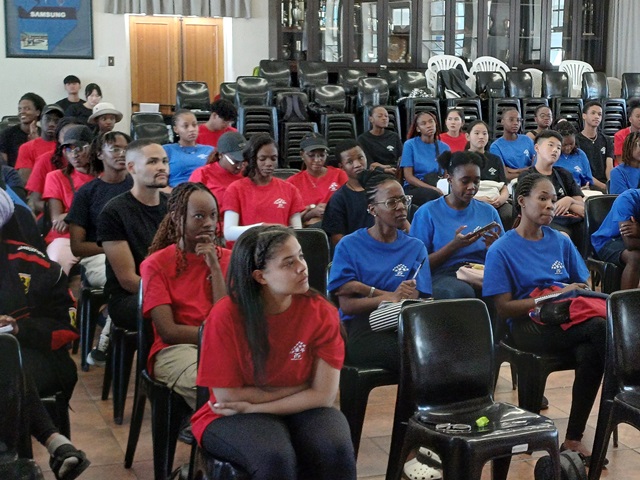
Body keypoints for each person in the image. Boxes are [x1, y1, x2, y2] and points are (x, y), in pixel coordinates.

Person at [192, 225, 356, 480]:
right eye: (288, 263)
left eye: (300, 256)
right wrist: (303, 388)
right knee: (274, 457)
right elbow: (228, 397)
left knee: (334, 447)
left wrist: (254, 407)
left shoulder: (321, 312)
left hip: (278, 407)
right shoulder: (226, 316)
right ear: (260, 277)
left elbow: (324, 396)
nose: (302, 267)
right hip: (229, 415)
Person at [483, 173, 605, 461]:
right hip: (527, 325)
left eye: (552, 199)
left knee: (593, 346)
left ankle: (573, 439)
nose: (550, 205)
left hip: (565, 319)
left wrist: (564, 292)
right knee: (601, 331)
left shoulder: (560, 240)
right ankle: (613, 402)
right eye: (542, 198)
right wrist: (550, 297)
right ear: (522, 202)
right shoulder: (502, 249)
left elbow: (582, 284)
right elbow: (503, 308)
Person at [0, 189, 91, 480]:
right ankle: (51, 443)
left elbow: (67, 326)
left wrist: (20, 328)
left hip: (34, 354)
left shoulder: (33, 265)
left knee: (7, 358)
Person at [328, 171, 432, 373]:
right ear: (372, 209)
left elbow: (413, 299)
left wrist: (364, 289)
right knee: (417, 358)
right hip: (362, 327)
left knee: (436, 350)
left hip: (402, 323)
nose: (401, 207)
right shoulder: (349, 246)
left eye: (403, 200)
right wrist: (389, 296)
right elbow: (348, 306)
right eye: (392, 203)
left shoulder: (415, 247)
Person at [141, 182, 231, 409]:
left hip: (224, 345)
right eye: (199, 216)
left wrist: (215, 269)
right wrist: (214, 337)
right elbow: (168, 331)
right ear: (176, 217)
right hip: (177, 349)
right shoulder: (156, 264)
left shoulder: (228, 259)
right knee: (214, 387)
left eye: (213, 215)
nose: (209, 223)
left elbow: (226, 318)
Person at [65, 131, 133, 366]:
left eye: (126, 148)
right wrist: (114, 249)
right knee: (128, 281)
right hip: (98, 257)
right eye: (115, 149)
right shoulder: (87, 193)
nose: (122, 154)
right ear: (99, 154)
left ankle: (107, 336)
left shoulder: (139, 186)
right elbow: (77, 246)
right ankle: (109, 337)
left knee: (146, 278)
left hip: (138, 257)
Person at [97, 139, 169, 332]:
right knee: (168, 312)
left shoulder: (174, 206)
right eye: (152, 162)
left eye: (165, 161)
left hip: (169, 289)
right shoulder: (114, 211)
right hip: (130, 297)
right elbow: (128, 279)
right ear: (132, 167)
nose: (162, 167)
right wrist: (172, 295)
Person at [410, 151, 502, 299]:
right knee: (462, 292)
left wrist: (494, 249)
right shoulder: (427, 212)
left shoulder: (488, 211)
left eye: (476, 181)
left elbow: (502, 258)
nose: (472, 187)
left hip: (480, 271)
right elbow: (417, 265)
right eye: (465, 181)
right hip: (443, 275)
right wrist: (454, 246)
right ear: (450, 179)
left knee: (505, 287)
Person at [42, 126, 96, 296]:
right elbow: (57, 221)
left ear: (92, 148)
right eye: (68, 148)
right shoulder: (56, 177)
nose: (74, 153)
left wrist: (71, 216)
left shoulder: (104, 177)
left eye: (79, 148)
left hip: (97, 240)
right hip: (65, 240)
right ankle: (56, 312)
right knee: (54, 265)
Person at [223, 134, 304, 242]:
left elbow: (298, 231)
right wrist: (263, 228)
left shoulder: (290, 189)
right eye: (262, 159)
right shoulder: (235, 189)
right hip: (248, 251)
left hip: (280, 251)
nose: (269, 163)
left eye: (273, 158)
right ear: (252, 160)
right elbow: (229, 233)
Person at [520, 130, 584, 240]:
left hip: (568, 220)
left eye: (559, 148)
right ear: (537, 148)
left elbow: (582, 206)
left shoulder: (564, 174)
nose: (555, 150)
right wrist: (560, 205)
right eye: (550, 145)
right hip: (543, 222)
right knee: (564, 237)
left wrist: (569, 201)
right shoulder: (528, 177)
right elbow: (529, 209)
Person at [287, 133, 348, 227]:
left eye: (322, 155)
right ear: (302, 155)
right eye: (311, 155)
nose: (317, 160)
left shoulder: (339, 175)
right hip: (308, 231)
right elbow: (289, 218)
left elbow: (349, 205)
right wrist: (312, 213)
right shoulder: (292, 182)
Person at [322, 140, 373, 247]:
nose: (357, 165)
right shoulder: (338, 199)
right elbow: (338, 240)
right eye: (350, 162)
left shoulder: (382, 188)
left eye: (360, 158)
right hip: (357, 253)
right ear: (341, 167)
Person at [26, 118, 81, 215]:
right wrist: (64, 213)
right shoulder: (45, 160)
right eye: (66, 133)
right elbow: (35, 202)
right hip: (53, 217)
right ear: (58, 138)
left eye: (74, 132)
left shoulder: (91, 161)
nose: (70, 136)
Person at [465, 120, 512, 228]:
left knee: (508, 213)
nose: (481, 137)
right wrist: (478, 199)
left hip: (495, 200)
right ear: (467, 136)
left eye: (484, 133)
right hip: (470, 200)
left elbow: (504, 186)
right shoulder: (460, 158)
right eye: (476, 133)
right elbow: (456, 190)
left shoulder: (495, 159)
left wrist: (501, 200)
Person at [592, 188, 640, 290]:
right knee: (635, 257)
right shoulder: (627, 199)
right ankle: (625, 303)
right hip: (607, 241)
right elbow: (630, 244)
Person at [189, 131, 247, 213]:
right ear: (221, 155)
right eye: (235, 161)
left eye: (243, 161)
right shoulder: (203, 174)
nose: (239, 166)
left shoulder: (247, 173)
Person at [400, 111, 450, 206]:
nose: (429, 125)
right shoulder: (410, 145)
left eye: (431, 122)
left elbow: (446, 174)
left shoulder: (445, 147)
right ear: (418, 129)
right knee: (433, 195)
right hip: (414, 188)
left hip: (438, 186)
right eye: (423, 123)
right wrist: (432, 188)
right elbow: (408, 177)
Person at [15, 104, 63, 184]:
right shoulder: (26, 148)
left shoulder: (65, 147)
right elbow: (25, 181)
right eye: (47, 119)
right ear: (40, 121)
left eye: (56, 121)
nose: (51, 124)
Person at [164, 110, 213, 188]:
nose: (191, 129)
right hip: (175, 194)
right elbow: (158, 182)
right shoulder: (167, 150)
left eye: (194, 125)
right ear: (176, 129)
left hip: (204, 193)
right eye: (185, 126)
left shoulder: (210, 150)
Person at [0, 92, 46, 167]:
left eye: (27, 109)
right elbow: (3, 167)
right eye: (20, 109)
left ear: (38, 112)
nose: (22, 112)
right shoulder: (7, 134)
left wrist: (37, 144)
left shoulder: (44, 135)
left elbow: (45, 163)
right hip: (13, 175)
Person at [489, 108, 535, 181]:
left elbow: (536, 167)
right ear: (502, 122)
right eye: (511, 120)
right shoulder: (496, 146)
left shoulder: (527, 140)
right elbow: (506, 175)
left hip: (532, 180)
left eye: (518, 120)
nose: (516, 123)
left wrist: (514, 170)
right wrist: (526, 171)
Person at [576, 101, 614, 189]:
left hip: (605, 183)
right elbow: (582, 170)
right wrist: (603, 187)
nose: (597, 117)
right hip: (586, 183)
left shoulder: (607, 140)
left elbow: (609, 166)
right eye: (593, 113)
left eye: (599, 114)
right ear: (584, 116)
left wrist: (610, 183)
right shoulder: (576, 140)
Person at [356, 105, 403, 174]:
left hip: (394, 171)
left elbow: (401, 159)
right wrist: (383, 170)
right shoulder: (363, 139)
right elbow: (369, 164)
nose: (384, 118)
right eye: (380, 116)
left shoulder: (394, 136)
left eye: (386, 116)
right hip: (373, 174)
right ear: (371, 119)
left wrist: (387, 167)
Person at [554, 122, 600, 190]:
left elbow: (588, 181)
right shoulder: (551, 155)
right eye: (564, 145)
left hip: (579, 193)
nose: (568, 147)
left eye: (571, 143)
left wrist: (585, 187)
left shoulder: (580, 155)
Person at [614, 100, 640, 165]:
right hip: (624, 170)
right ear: (630, 119)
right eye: (638, 116)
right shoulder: (620, 135)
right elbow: (620, 160)